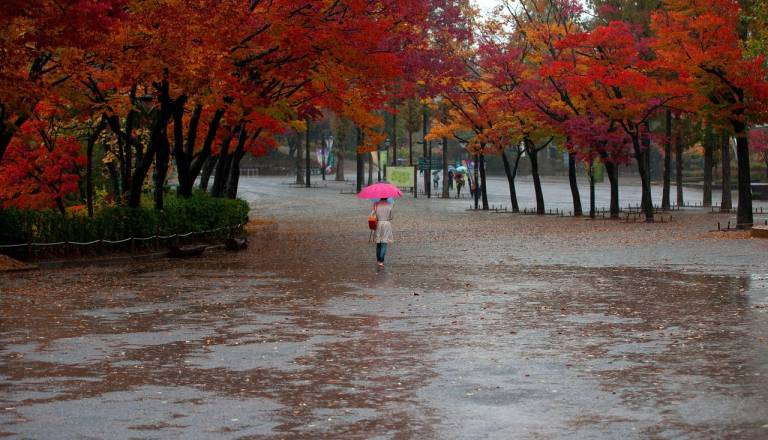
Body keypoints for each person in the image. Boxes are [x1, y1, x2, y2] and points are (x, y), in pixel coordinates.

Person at [371, 198, 394, 267]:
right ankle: (381, 260)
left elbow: (372, 215)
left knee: (378, 242)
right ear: (387, 198)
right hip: (386, 224)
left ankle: (378, 260)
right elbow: (391, 217)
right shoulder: (390, 205)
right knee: (384, 242)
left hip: (378, 224)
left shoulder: (376, 205)